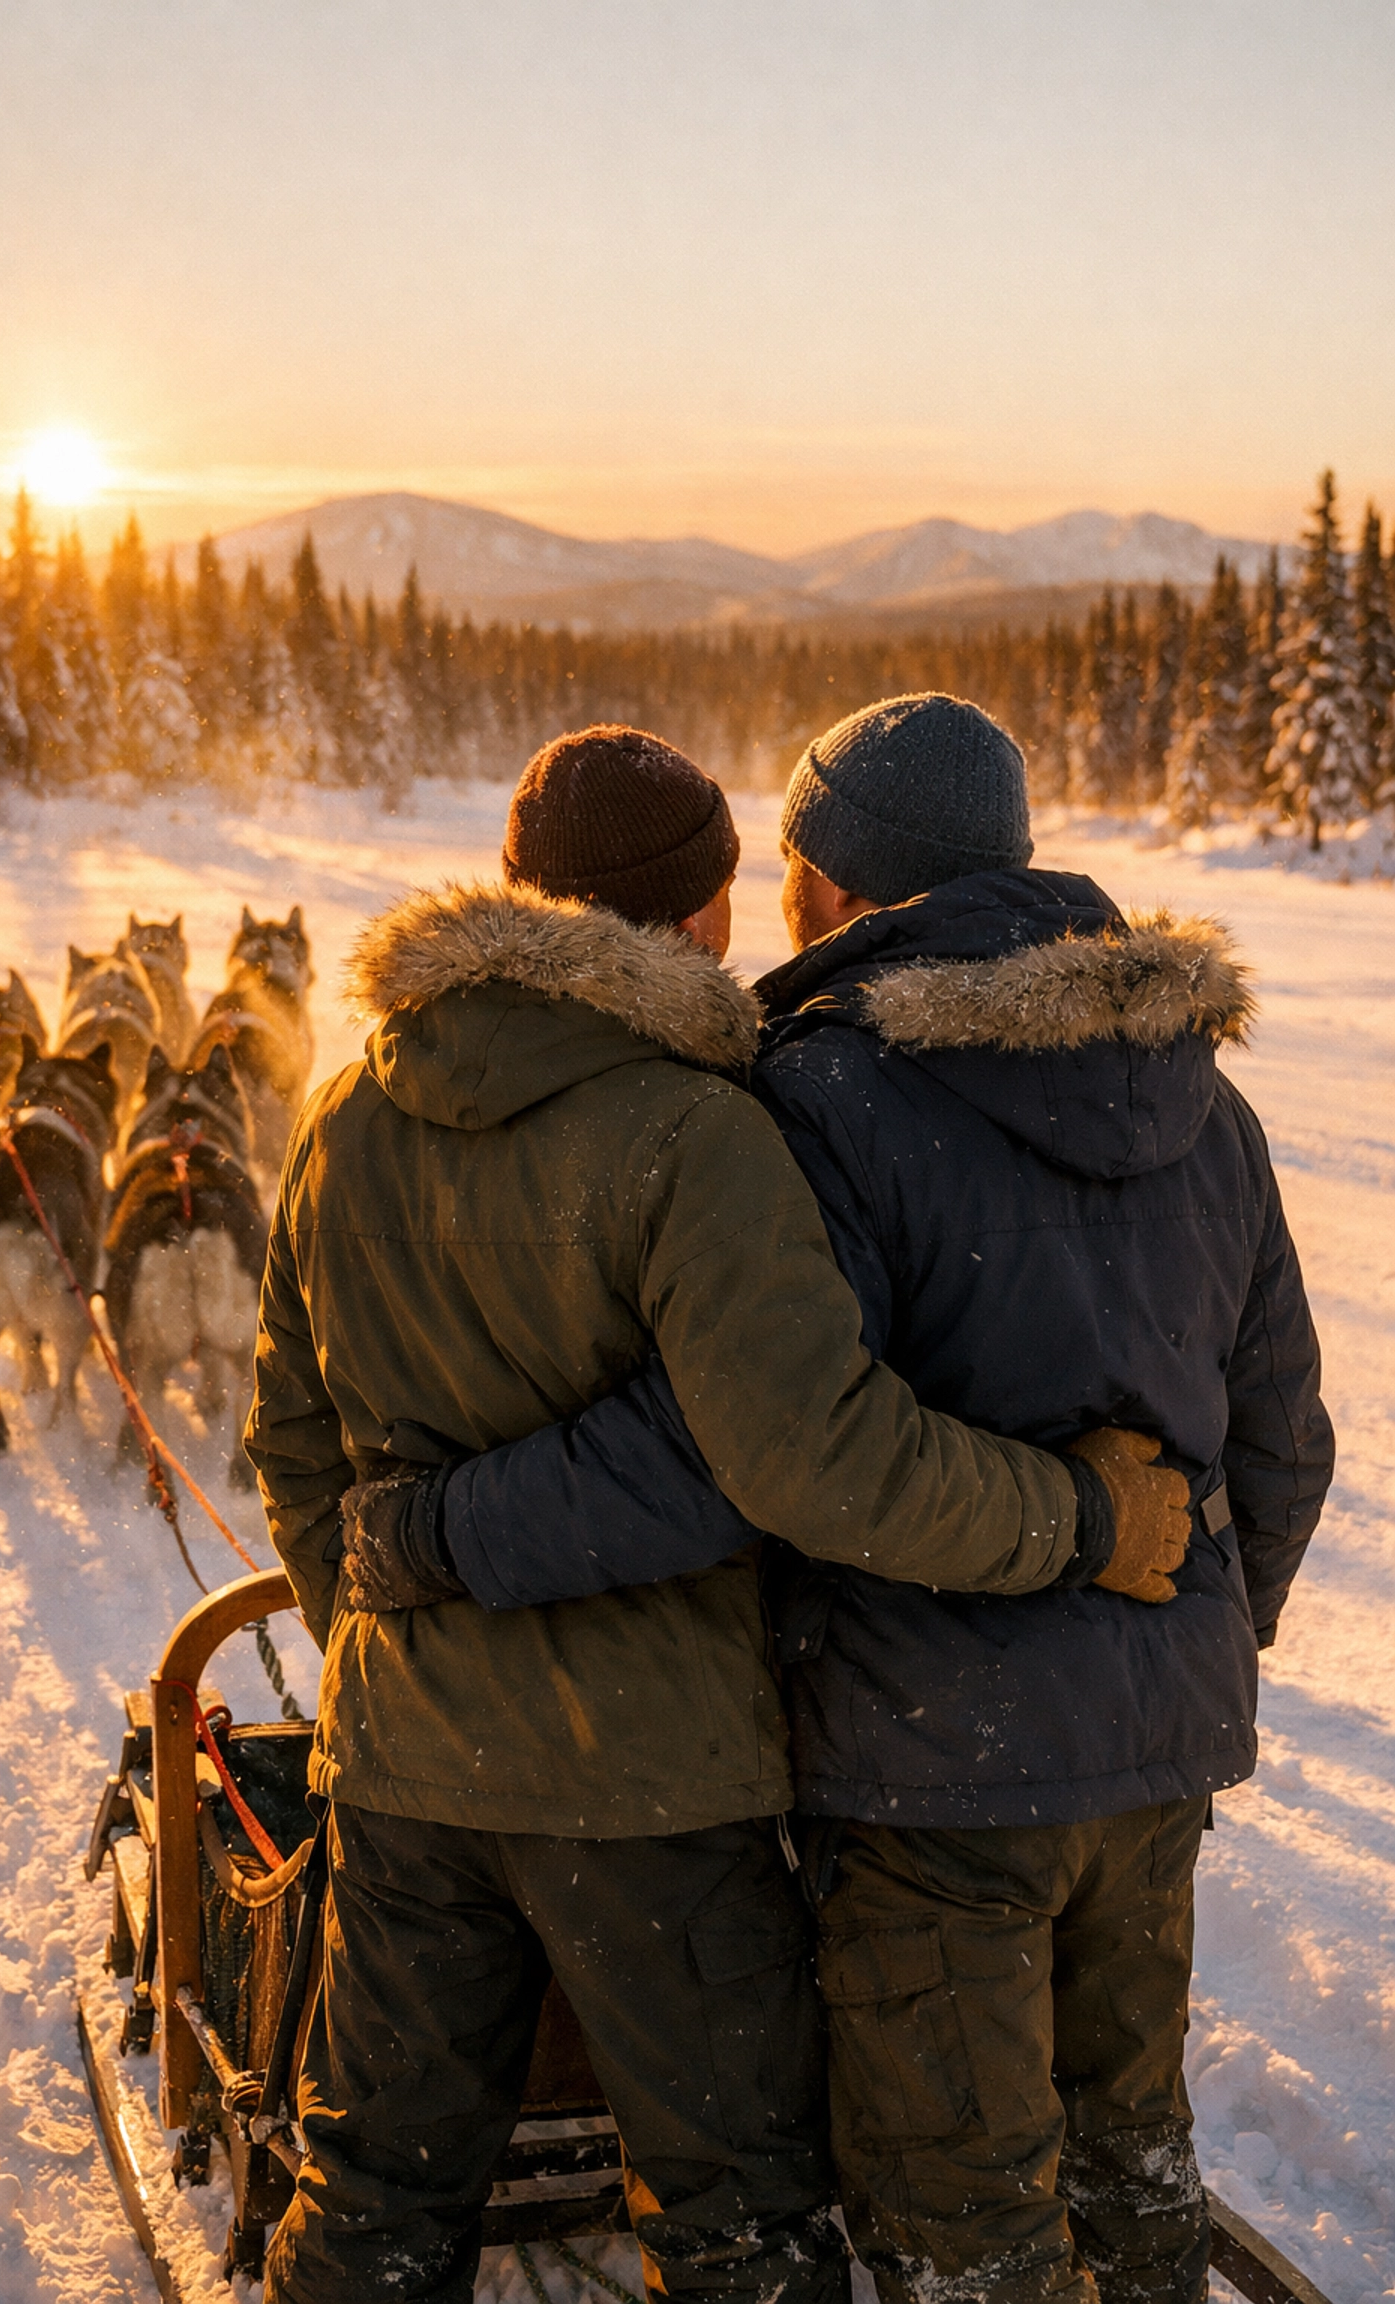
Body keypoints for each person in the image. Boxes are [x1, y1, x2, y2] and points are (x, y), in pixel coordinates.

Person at [356, 697, 1333, 2304]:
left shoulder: (823, 1104)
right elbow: (1281, 1438)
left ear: (826, 878)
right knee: (1132, 2153)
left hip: (928, 1772)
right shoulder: (1201, 1103)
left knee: (960, 2212)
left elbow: (736, 1449)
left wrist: (433, 1536)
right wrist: (1188, 1659)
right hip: (1156, 1746)